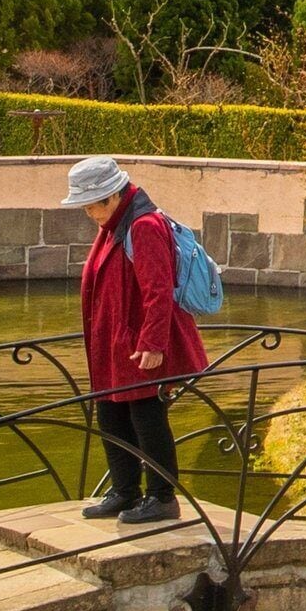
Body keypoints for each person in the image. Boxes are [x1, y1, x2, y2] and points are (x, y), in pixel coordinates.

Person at [67, 155, 207, 524]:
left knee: (146, 416)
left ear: (112, 196)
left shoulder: (142, 225)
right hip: (115, 343)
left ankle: (161, 497)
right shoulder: (116, 223)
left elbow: (158, 290)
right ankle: (124, 490)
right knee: (111, 414)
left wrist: (153, 343)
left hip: (139, 345)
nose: (88, 214)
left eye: (90, 206)